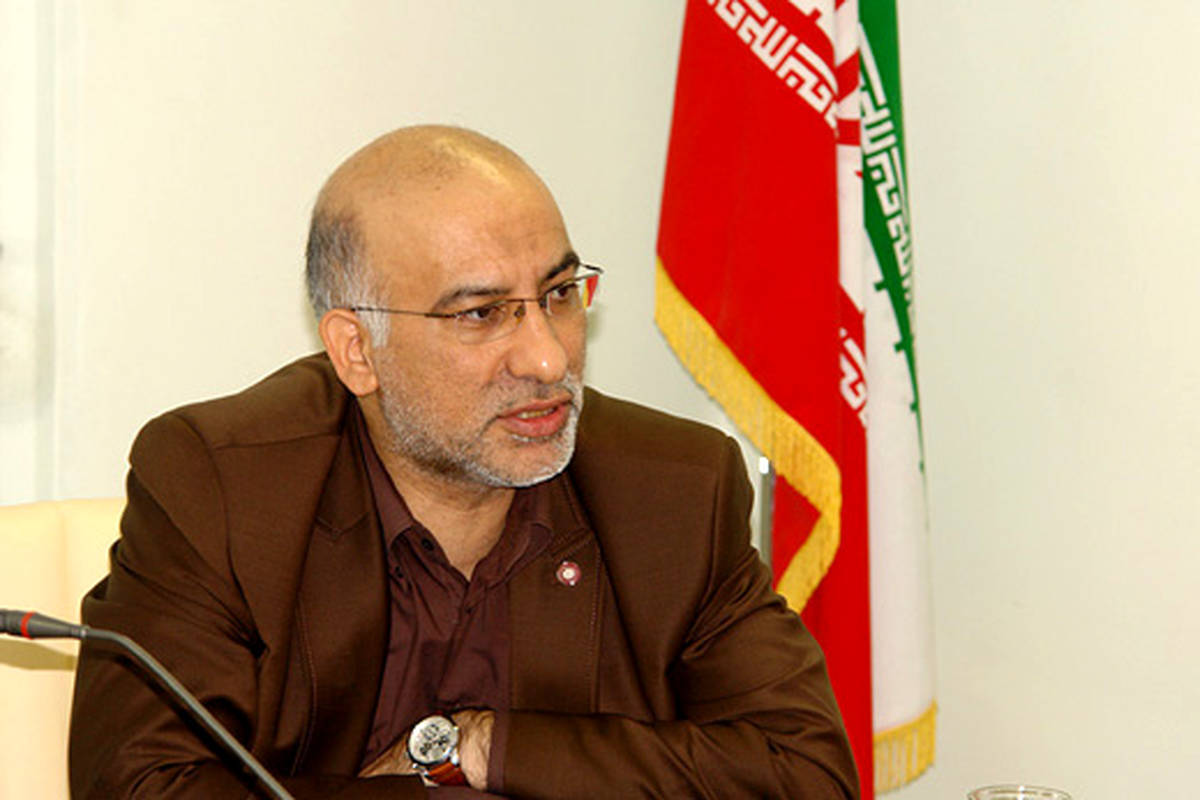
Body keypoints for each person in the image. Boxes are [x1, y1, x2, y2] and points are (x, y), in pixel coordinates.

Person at [69, 125, 858, 799]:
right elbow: (141, 786)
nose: (549, 360)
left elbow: (806, 774)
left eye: (559, 295)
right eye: (482, 314)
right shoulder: (221, 484)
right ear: (357, 351)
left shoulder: (675, 488)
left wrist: (477, 747)